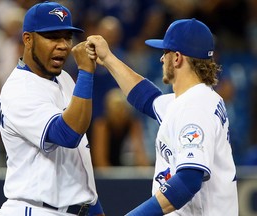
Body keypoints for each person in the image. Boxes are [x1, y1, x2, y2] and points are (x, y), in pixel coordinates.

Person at [86, 18, 238, 215]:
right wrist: (108, 58)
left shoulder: (194, 107)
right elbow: (147, 98)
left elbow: (188, 181)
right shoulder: (196, 99)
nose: (161, 59)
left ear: (177, 58)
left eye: (164, 53)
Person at [0, 2, 104, 216]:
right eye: (53, 37)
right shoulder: (19, 90)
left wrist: (93, 207)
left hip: (73, 209)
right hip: (35, 209)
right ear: (28, 39)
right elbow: (68, 135)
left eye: (67, 37)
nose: (63, 45)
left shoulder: (63, 78)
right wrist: (86, 72)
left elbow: (79, 153)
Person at [91, 88, 150, 167]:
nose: (118, 112)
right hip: (101, 171)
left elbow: (140, 153)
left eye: (121, 108)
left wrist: (145, 173)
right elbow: (99, 160)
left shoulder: (132, 124)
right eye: (115, 108)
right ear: (108, 109)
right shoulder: (101, 125)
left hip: (121, 168)